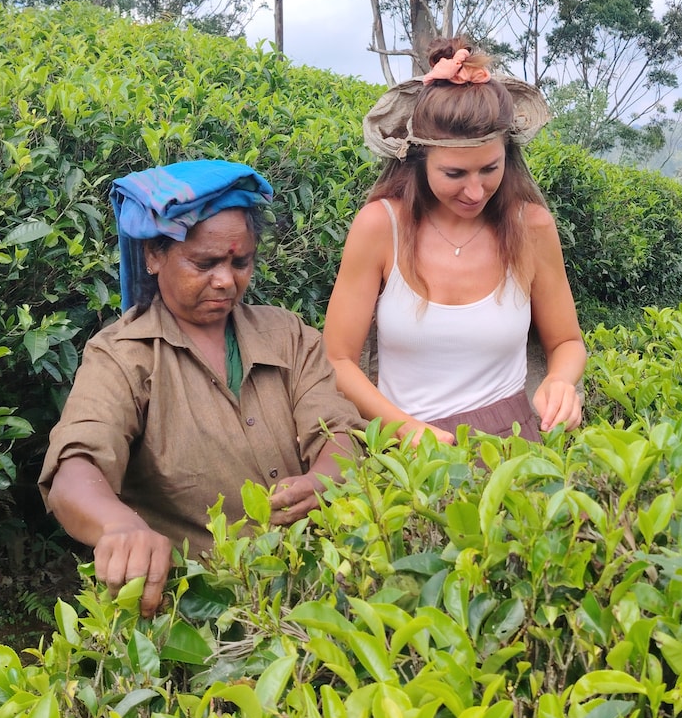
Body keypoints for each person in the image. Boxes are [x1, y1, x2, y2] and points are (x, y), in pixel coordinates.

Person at [39, 160, 362, 615]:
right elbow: (76, 468)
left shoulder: (287, 335)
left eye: (240, 261)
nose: (226, 280)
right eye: (204, 263)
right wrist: (117, 526)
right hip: (202, 611)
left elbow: (338, 430)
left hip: (317, 588)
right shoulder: (123, 355)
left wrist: (323, 478)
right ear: (154, 256)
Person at [323, 37, 586, 443]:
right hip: (407, 447)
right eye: (454, 175)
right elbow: (338, 359)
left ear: (508, 157)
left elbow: (567, 341)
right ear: (419, 162)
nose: (476, 192)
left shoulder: (532, 228)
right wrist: (406, 430)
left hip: (514, 441)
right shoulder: (380, 227)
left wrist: (560, 382)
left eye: (489, 169)